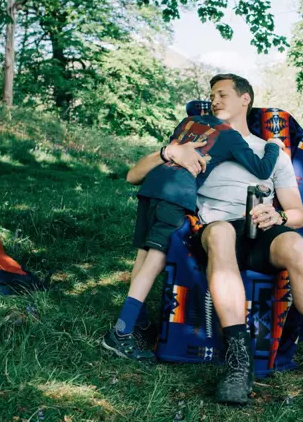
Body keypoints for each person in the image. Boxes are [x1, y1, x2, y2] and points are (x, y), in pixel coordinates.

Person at [125, 73, 303, 403]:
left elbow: (297, 213)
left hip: (261, 230)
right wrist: (170, 151)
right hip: (212, 230)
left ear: (245, 100)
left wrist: (279, 216)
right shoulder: (199, 143)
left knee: (298, 247)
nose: (215, 100)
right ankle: (239, 364)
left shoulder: (272, 152)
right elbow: (136, 174)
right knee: (222, 233)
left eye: (223, 94)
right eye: (212, 95)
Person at [101, 112, 285, 361]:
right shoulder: (230, 136)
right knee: (154, 261)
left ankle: (139, 322)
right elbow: (262, 169)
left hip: (152, 187)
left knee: (143, 257)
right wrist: (273, 146)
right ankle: (121, 333)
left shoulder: (188, 124)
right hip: (177, 194)